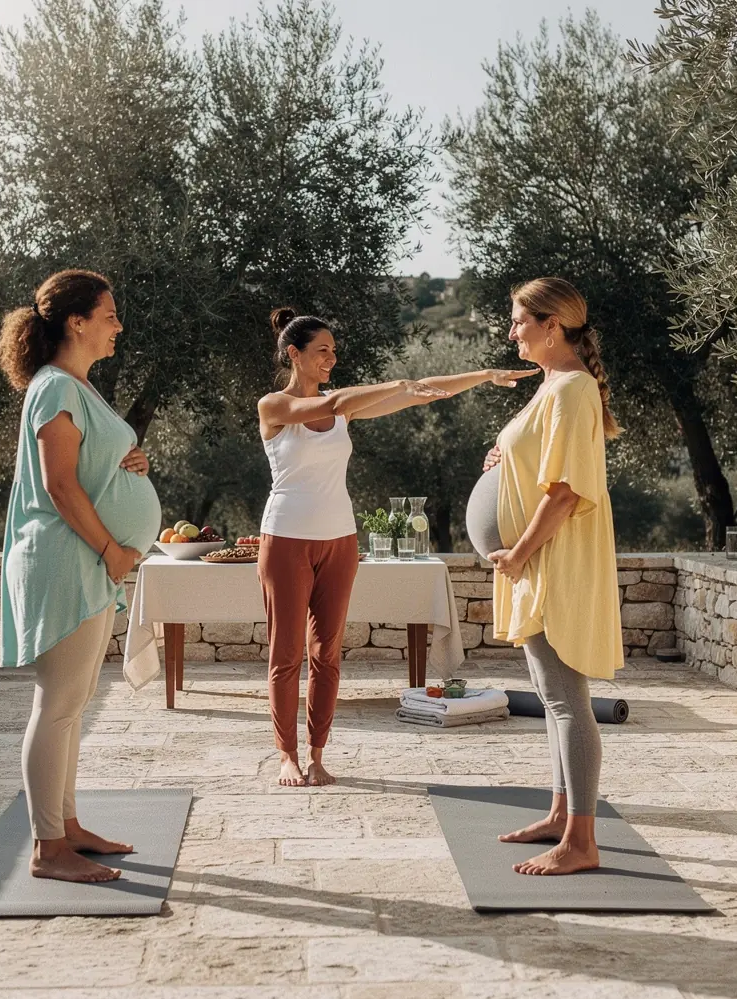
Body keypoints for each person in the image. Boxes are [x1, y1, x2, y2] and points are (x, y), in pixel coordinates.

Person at [258, 307, 536, 787]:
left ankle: (318, 754)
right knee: (286, 656)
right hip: (285, 539)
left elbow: (421, 391)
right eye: (322, 350)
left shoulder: (343, 410)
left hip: (339, 541)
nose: (331, 358)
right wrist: (397, 384)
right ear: (294, 354)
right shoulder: (274, 406)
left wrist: (484, 376)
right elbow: (335, 402)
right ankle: (287, 755)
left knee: (327, 655)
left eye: (334, 350)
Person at [0, 269, 161, 883]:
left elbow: (88, 464)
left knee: (73, 703)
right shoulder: (54, 388)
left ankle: (66, 826)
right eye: (109, 315)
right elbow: (59, 486)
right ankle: (48, 848)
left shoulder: (77, 387)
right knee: (58, 705)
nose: (119, 325)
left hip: (85, 562)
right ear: (77, 321)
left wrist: (130, 460)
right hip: (68, 559)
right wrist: (114, 550)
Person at [466, 277, 624, 876]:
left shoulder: (573, 389)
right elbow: (540, 466)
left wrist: (518, 554)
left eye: (518, 321)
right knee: (556, 699)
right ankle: (560, 815)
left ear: (551, 325)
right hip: (537, 561)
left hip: (552, 559)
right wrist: (502, 461)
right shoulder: (552, 387)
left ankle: (581, 841)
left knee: (566, 700)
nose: (512, 332)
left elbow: (565, 493)